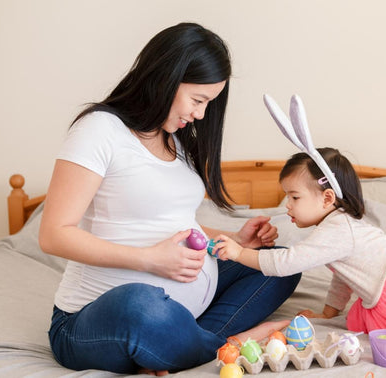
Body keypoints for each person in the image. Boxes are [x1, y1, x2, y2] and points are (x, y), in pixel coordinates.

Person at [38, 22, 301, 375]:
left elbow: (175, 220)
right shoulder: (99, 130)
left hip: (184, 305)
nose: (201, 114)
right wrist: (148, 260)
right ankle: (228, 342)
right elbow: (53, 234)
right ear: (166, 76)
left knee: (280, 264)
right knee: (142, 305)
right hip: (95, 320)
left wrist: (235, 241)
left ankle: (185, 341)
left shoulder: (175, 140)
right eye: (198, 100)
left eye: (208, 103)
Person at [215, 147, 386, 349]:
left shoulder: (337, 230)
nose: (288, 205)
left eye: (294, 197)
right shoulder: (337, 226)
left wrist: (239, 253)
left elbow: (286, 263)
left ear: (327, 198)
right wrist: (329, 311)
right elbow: (344, 276)